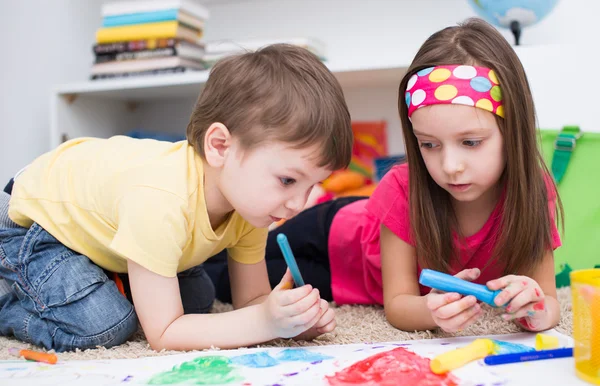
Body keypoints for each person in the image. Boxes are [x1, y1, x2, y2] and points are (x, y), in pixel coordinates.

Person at [207, 18, 563, 334]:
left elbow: (548, 304)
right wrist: (431, 311)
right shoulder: (403, 188)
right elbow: (399, 305)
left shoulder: (533, 193)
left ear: (512, 130)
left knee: (228, 286)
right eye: (429, 145)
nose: (450, 165)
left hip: (340, 280)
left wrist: (533, 306)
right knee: (221, 263)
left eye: (470, 142)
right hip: (333, 236)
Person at [0, 44, 353, 352]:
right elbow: (164, 333)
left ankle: (102, 281)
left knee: (199, 297)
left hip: (98, 235)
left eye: (310, 186)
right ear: (220, 147)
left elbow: (251, 302)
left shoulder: (253, 206)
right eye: (288, 180)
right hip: (34, 224)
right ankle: (8, 301)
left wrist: (288, 321)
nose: (298, 203)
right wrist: (263, 321)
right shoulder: (161, 200)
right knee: (106, 323)